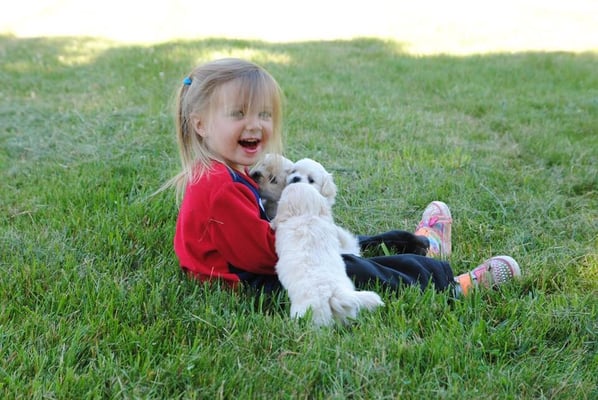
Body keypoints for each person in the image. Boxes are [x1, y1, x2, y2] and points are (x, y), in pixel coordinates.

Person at [168, 58, 521, 299]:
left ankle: (422, 245)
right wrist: (302, 224)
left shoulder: (224, 172)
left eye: (263, 113)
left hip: (248, 263)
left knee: (338, 238)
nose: (255, 124)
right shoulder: (219, 188)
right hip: (255, 280)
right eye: (238, 114)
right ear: (199, 123)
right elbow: (265, 257)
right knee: (351, 266)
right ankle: (452, 285)